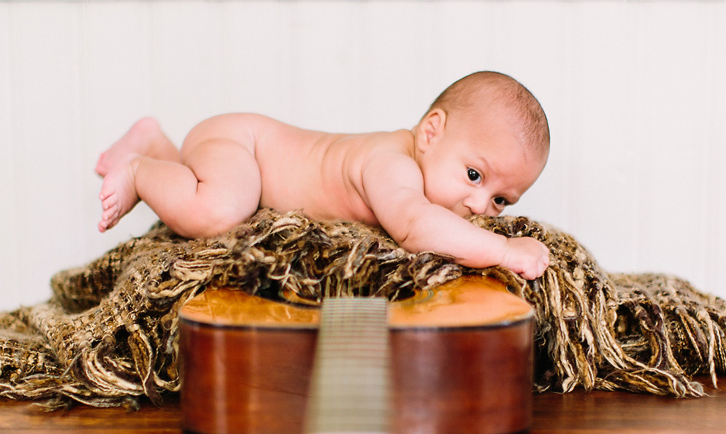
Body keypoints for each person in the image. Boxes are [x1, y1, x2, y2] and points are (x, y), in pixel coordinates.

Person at [96, 71, 551, 279]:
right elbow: (416, 227)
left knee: (223, 193)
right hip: (242, 143)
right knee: (217, 211)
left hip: (246, 144)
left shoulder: (415, 162)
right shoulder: (392, 165)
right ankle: (139, 170)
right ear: (431, 132)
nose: (479, 206)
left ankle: (157, 145)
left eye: (501, 201)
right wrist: (503, 248)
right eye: (474, 175)